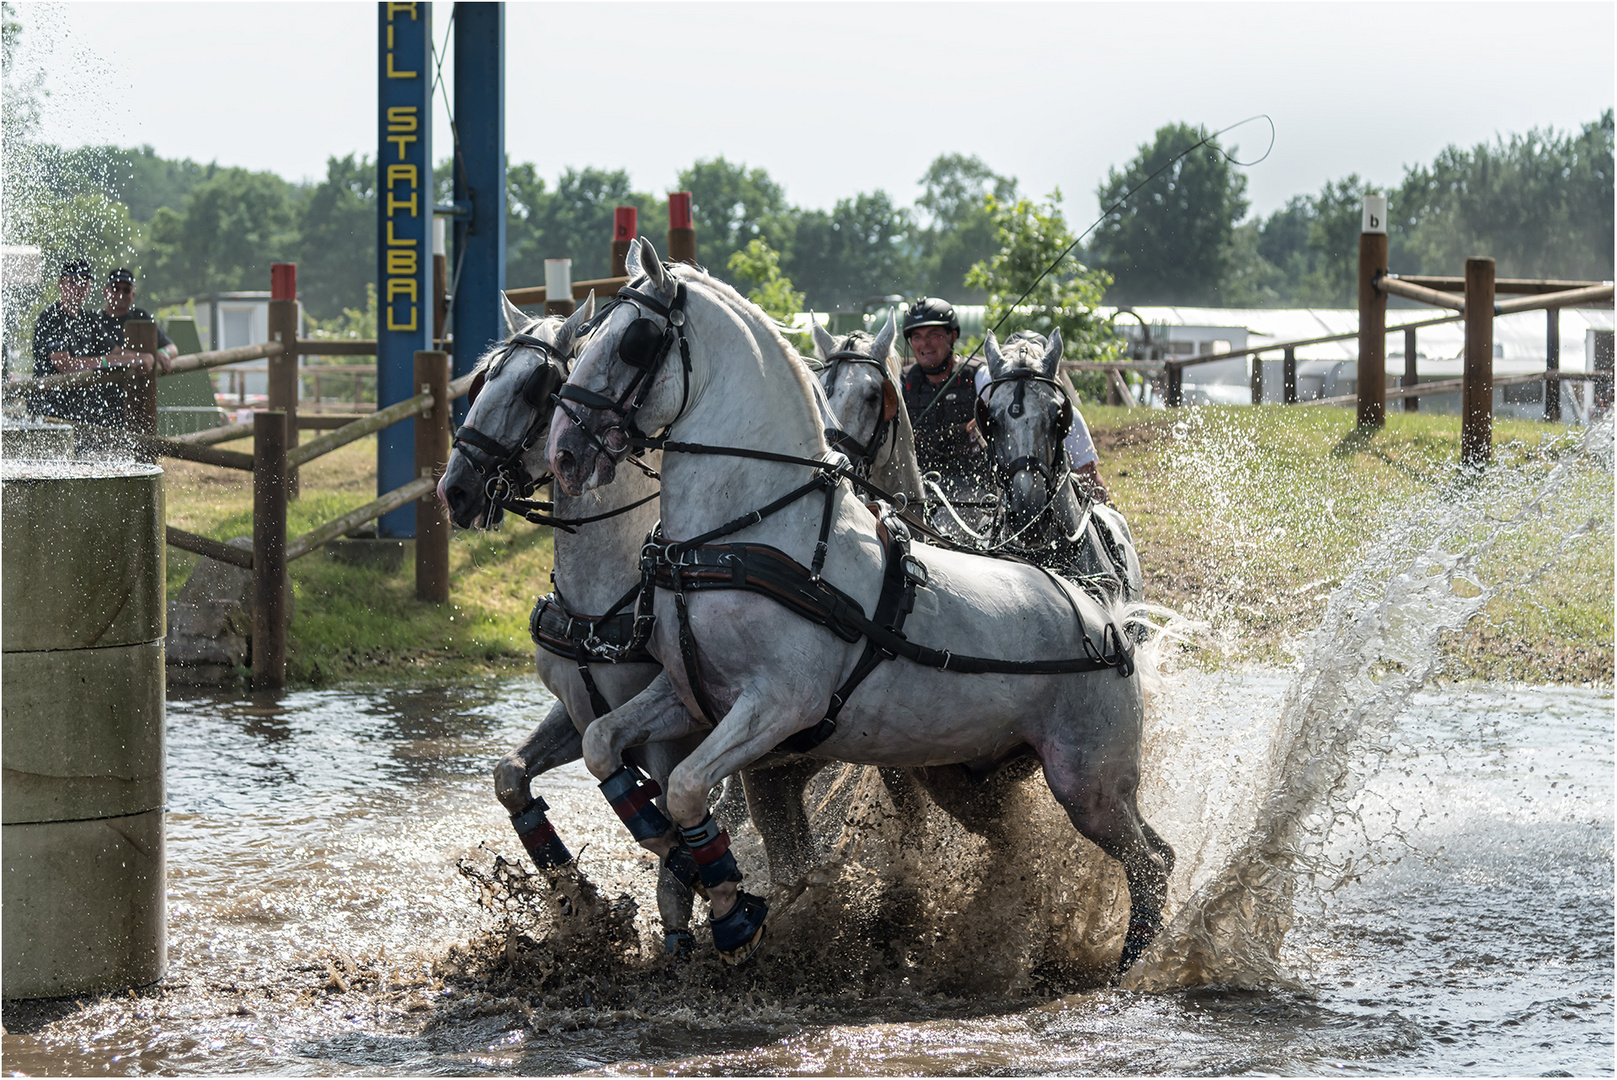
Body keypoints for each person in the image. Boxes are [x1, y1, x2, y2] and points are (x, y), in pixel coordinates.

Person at [28, 259, 129, 426]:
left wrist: (143, 358)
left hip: (82, 414)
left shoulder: (88, 319)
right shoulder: (50, 318)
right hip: (50, 414)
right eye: (73, 281)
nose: (79, 288)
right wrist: (105, 361)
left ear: (90, 287)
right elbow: (63, 364)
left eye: (84, 282)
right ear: (61, 283)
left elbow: (116, 352)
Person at [102, 268, 177, 375]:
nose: (121, 293)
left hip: (139, 387)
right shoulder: (94, 320)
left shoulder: (141, 317)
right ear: (106, 292)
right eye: (115, 288)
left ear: (133, 294)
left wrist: (163, 353)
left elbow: (172, 347)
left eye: (126, 290)